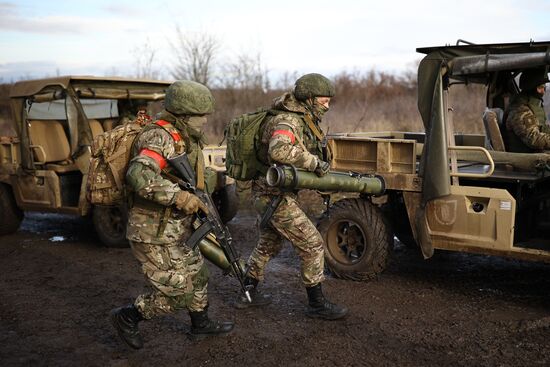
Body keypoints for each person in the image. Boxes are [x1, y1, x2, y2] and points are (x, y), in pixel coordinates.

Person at [110, 80, 233, 349]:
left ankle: (201, 325)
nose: (204, 121)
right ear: (184, 114)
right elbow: (138, 174)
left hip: (176, 227)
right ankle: (128, 317)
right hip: (151, 231)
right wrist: (179, 197)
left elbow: (192, 177)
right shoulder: (159, 137)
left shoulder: (185, 138)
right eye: (201, 116)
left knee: (198, 275)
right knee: (178, 294)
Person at [235, 73, 348, 320]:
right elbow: (279, 149)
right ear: (308, 99)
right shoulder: (288, 120)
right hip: (273, 196)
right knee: (313, 244)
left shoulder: (295, 116)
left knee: (268, 245)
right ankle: (316, 304)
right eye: (324, 101)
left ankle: (246, 293)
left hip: (269, 195)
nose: (327, 106)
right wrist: (313, 162)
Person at [504, 67, 550, 152]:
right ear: (530, 87)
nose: (543, 92)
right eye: (540, 87)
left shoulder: (530, 105)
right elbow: (533, 139)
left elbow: (540, 128)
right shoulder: (519, 109)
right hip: (526, 158)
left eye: (544, 87)